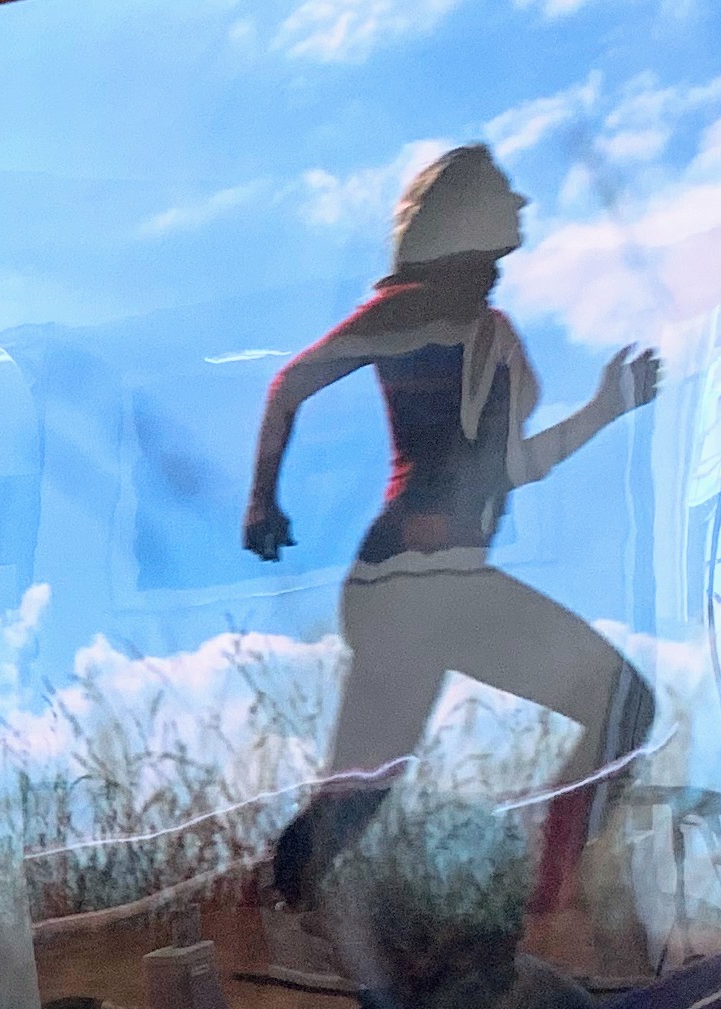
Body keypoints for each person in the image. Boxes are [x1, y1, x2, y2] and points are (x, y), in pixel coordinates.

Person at [244, 142, 664, 918]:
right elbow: (290, 384)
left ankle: (267, 914)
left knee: (360, 790)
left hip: (430, 585)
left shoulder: (489, 329)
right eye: (505, 192)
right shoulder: (414, 309)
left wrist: (607, 409)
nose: (522, 204)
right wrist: (261, 501)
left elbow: (510, 468)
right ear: (464, 213)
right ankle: (548, 905)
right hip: (412, 580)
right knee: (622, 704)